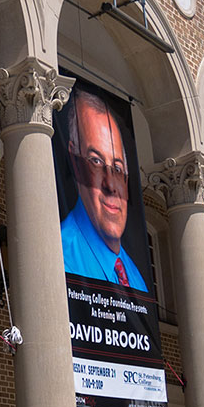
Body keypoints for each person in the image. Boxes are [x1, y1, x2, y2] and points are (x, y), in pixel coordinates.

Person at [60, 89, 145, 290]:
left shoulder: (135, 277)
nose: (111, 185)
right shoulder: (61, 258)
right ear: (75, 161)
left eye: (117, 168)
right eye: (96, 161)